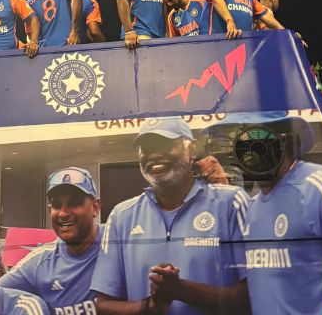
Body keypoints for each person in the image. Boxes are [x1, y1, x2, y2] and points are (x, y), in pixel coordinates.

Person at [91, 118, 250, 315]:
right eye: (147, 148)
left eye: (165, 145)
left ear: (191, 150)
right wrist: (151, 307)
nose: (155, 155)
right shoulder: (122, 216)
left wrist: (181, 290)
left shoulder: (231, 203)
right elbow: (104, 306)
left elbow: (254, 295)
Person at [236, 115, 322, 315]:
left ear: (286, 142)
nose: (252, 150)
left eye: (259, 140)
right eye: (246, 142)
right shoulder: (252, 208)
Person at [0, 167, 102, 314]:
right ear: (49, 211)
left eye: (74, 203)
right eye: (57, 205)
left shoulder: (116, 244)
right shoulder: (40, 262)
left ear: (95, 207)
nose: (63, 213)